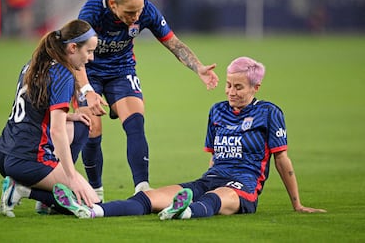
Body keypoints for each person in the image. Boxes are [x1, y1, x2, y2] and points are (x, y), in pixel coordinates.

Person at [52, 56, 327, 219]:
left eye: (239, 87)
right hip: (212, 178)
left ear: (256, 87)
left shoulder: (269, 113)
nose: (230, 92)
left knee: (218, 196)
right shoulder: (217, 111)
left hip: (243, 187)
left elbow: (282, 161)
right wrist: (205, 180)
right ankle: (92, 211)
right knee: (151, 196)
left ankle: (185, 211)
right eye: (229, 85)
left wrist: (297, 204)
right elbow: (213, 159)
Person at [76, 0, 219, 199]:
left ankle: (143, 188)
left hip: (121, 70)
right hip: (88, 70)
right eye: (130, 12)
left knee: (135, 120)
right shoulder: (92, 11)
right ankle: (95, 192)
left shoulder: (147, 11)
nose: (136, 17)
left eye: (139, 10)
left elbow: (173, 42)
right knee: (91, 128)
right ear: (113, 5)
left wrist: (198, 67)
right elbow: (74, 56)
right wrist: (87, 91)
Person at [0, 19, 101, 218]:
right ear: (72, 48)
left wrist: (71, 116)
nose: (91, 58)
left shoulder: (35, 63)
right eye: (89, 51)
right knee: (93, 204)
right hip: (28, 159)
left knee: (80, 126)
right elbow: (57, 130)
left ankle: (45, 199)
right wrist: (72, 178)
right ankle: (22, 190)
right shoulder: (63, 74)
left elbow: (33, 110)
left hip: (4, 152)